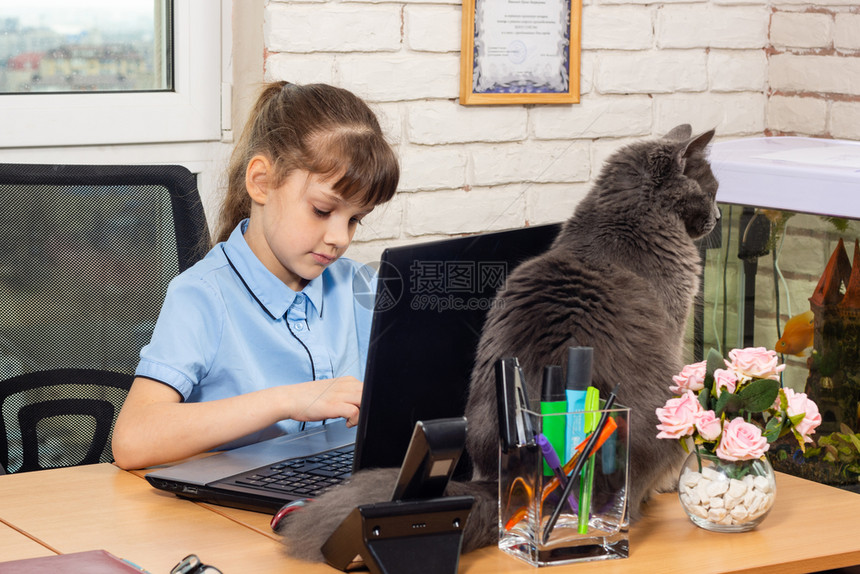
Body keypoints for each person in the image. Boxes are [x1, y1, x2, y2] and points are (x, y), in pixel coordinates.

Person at [112, 82, 399, 470]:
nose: (338, 238)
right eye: (321, 210)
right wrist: (285, 400)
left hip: (336, 498)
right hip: (230, 515)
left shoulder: (358, 287)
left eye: (354, 220)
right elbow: (132, 441)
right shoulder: (203, 295)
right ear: (261, 182)